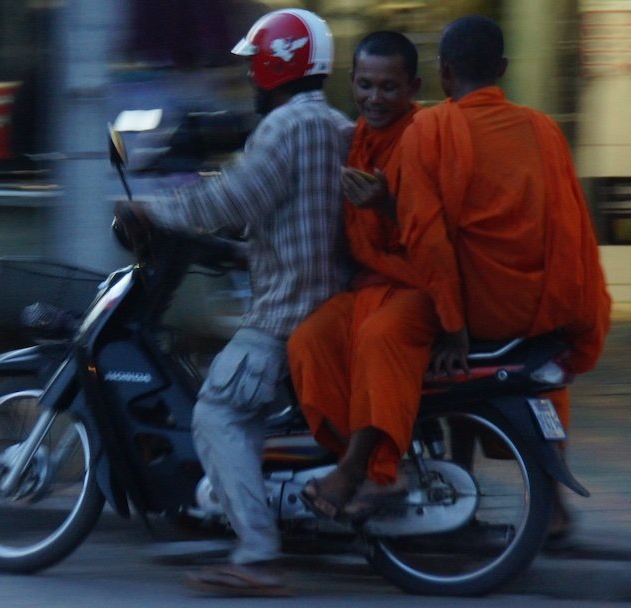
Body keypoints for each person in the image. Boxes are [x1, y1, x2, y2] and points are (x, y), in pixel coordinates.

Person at [126, 8, 353, 596]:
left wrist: (156, 209)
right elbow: (290, 217)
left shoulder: (285, 128)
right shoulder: (333, 125)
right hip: (326, 302)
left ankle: (256, 555)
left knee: (218, 412)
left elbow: (230, 196)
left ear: (281, 64)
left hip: (286, 315)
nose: (251, 76)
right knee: (240, 407)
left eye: (256, 64)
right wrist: (237, 250)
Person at [390, 15, 611, 531]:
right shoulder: (544, 129)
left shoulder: (429, 127)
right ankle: (553, 504)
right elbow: (572, 224)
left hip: (475, 310)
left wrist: (453, 323)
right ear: (504, 69)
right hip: (544, 306)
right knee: (542, 378)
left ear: (443, 73)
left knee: (415, 353)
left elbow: (427, 239)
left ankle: (437, 481)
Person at [286, 31, 435, 520]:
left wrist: (386, 205)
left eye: (389, 88)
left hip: (422, 284)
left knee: (377, 337)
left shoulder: (426, 137)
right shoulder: (356, 138)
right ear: (351, 81)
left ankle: (361, 471)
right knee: (309, 338)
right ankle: (369, 464)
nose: (375, 97)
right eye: (366, 85)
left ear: (412, 87)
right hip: (373, 282)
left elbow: (440, 230)